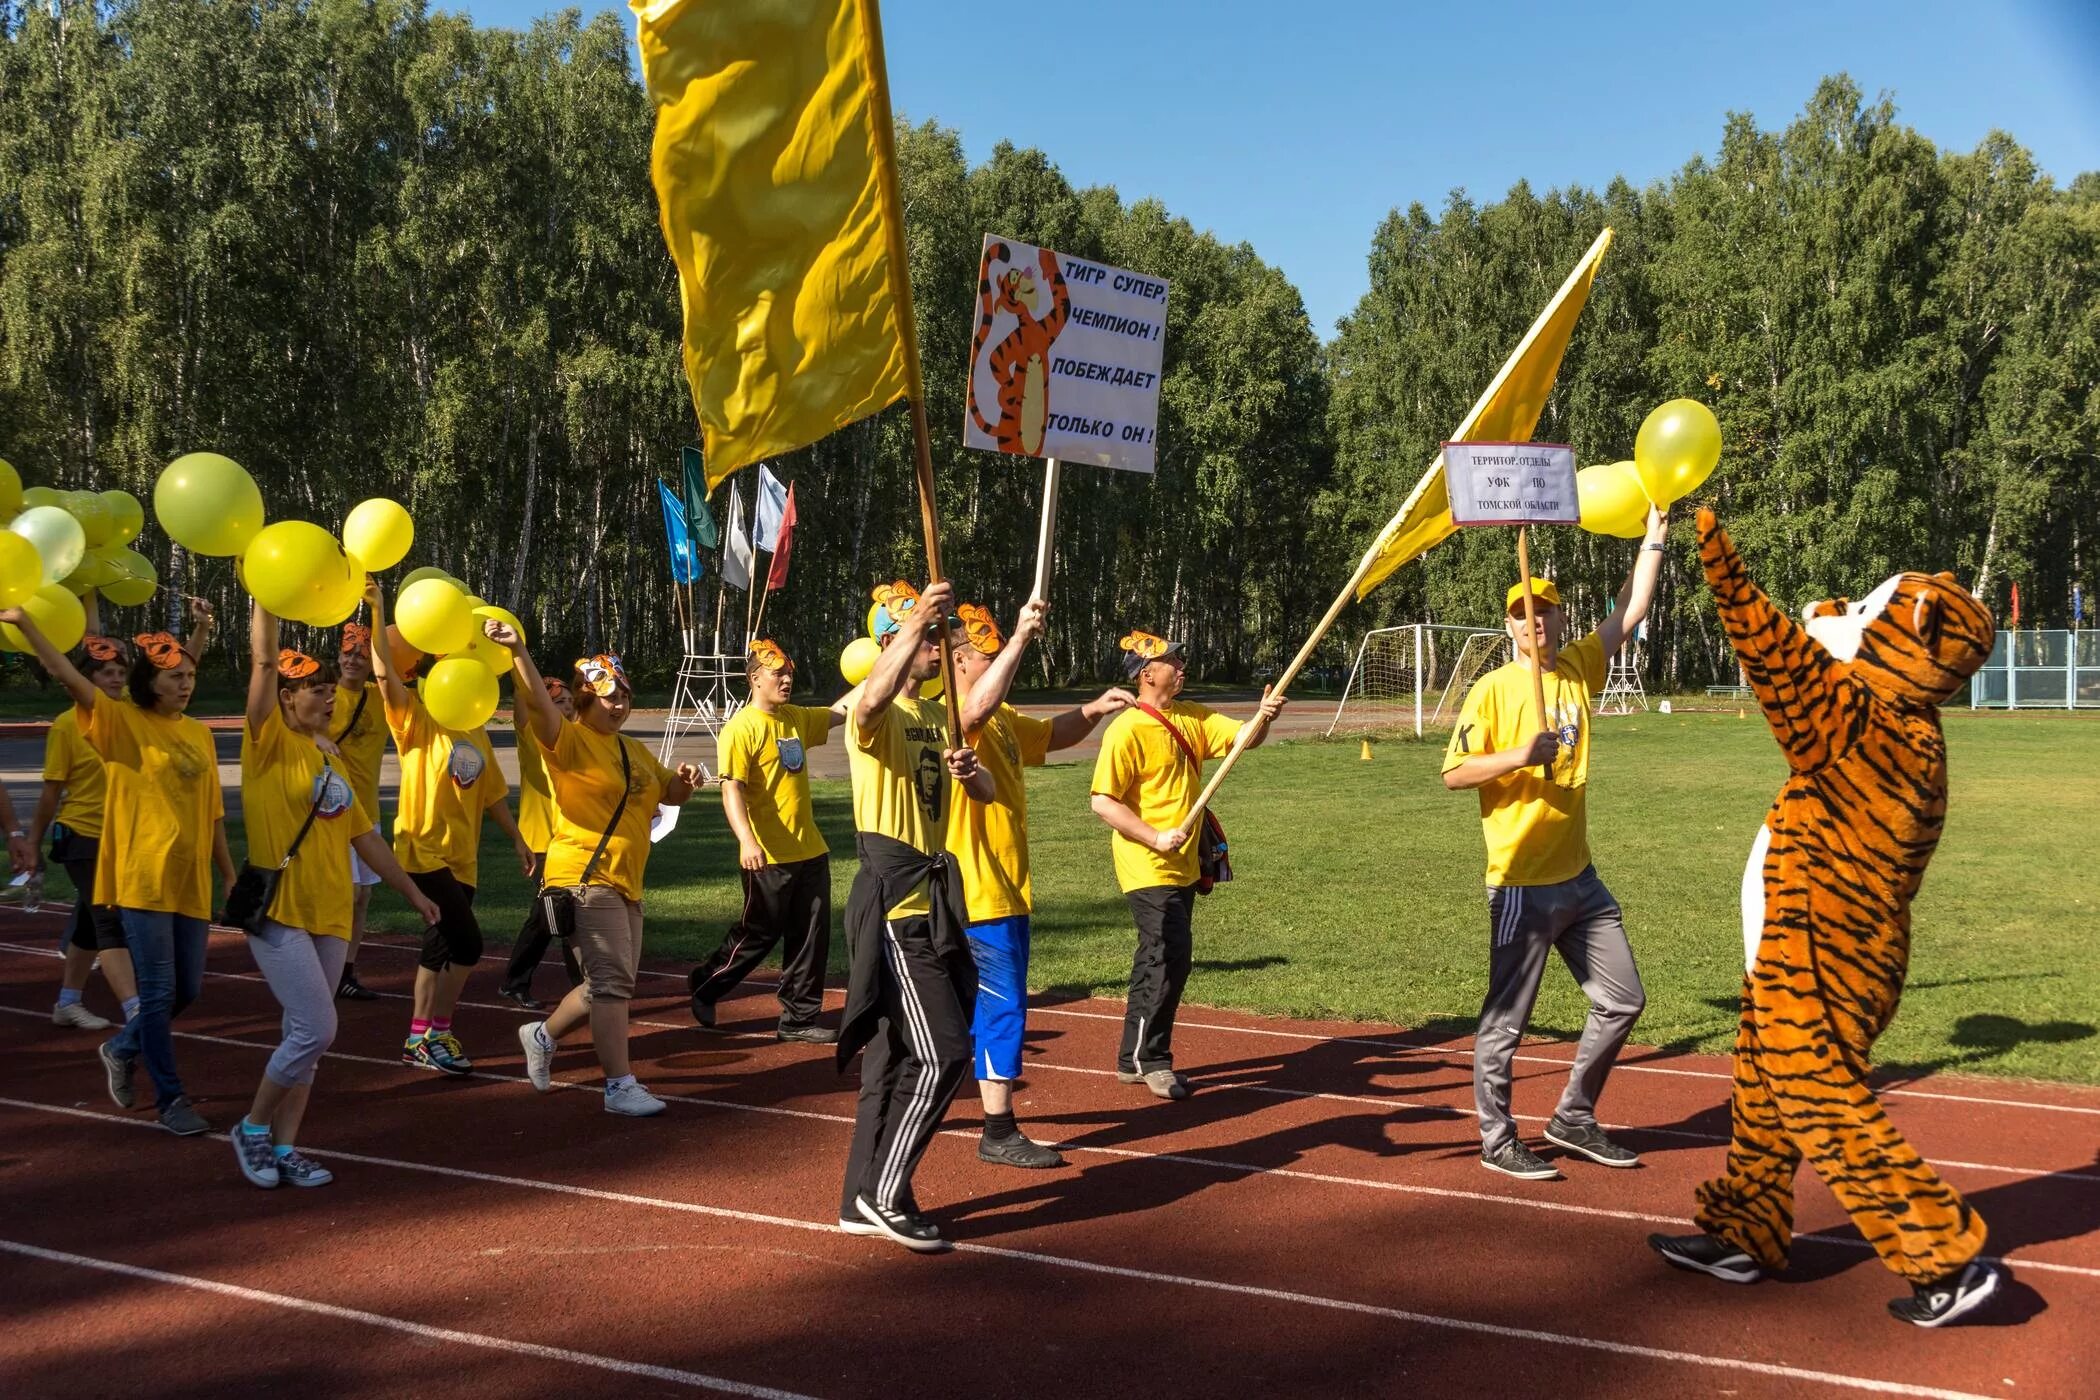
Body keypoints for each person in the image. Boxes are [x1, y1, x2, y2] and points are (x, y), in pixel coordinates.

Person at [1440, 506, 1666, 1181]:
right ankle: (1495, 1135)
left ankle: (1572, 1116)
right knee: (1508, 1020)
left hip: (1580, 878)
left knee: (1623, 998)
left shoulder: (1577, 668)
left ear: (1560, 619)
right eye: (1521, 613)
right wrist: (1517, 755)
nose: (1534, 621)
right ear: (1507, 625)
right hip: (1521, 880)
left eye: (1545, 611)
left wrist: (1655, 535)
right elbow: (1454, 774)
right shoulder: (1492, 690)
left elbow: (1629, 608)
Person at [3, 603, 235, 1136]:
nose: (187, 685)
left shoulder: (197, 734)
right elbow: (67, 675)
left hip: (189, 879)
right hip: (140, 877)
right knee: (155, 993)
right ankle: (171, 1100)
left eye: (191, 677)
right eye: (176, 677)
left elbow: (213, 813)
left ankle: (121, 1047)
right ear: (149, 682)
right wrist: (28, 623)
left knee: (188, 990)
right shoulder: (119, 720)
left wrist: (226, 872)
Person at [231, 600, 439, 1189]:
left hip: (330, 911)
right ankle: (252, 1129)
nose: (326, 697)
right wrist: (269, 601)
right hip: (280, 911)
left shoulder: (333, 759)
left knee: (308, 1041)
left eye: (328, 689)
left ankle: (286, 1145)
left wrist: (411, 892)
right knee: (315, 1030)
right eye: (314, 690)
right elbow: (264, 663)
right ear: (286, 701)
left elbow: (365, 838)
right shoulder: (267, 742)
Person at [835, 579, 992, 1252]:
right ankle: (883, 1193)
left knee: (897, 1057)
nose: (938, 647)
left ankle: (856, 1198)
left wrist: (967, 772)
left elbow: (981, 790)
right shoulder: (874, 715)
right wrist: (913, 624)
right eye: (929, 637)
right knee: (944, 1054)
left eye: (938, 636)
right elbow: (870, 696)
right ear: (893, 642)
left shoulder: (938, 715)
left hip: (932, 899)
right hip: (897, 905)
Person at [948, 598, 1132, 1166]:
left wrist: (1095, 710)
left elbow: (1051, 736)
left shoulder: (1000, 717)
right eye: (986, 652)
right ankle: (998, 1130)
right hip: (978, 890)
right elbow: (974, 709)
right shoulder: (954, 710)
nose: (998, 657)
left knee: (971, 1010)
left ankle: (939, 1098)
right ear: (958, 660)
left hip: (1006, 886)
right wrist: (1022, 639)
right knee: (1002, 1009)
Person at [488, 625, 700, 1117]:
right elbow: (540, 703)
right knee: (611, 983)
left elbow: (671, 793)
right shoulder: (570, 742)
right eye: (607, 697)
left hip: (626, 879)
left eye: (623, 696)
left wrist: (688, 781)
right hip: (583, 876)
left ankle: (541, 1035)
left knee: (608, 982)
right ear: (585, 700)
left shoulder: (633, 750)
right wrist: (518, 650)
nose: (618, 705)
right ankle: (618, 1086)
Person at [1089, 631, 1285, 1101]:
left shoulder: (1191, 716)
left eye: (1180, 658)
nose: (1181, 666)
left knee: (1164, 959)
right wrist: (1155, 836)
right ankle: (1150, 1060)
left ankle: (1135, 1057)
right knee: (1165, 958)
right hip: (1147, 863)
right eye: (1171, 661)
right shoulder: (1127, 730)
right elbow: (1103, 802)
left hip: (1182, 864)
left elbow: (1243, 741)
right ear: (1146, 673)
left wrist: (1264, 716)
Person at [367, 580, 532, 1075]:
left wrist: (518, 838)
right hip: (421, 849)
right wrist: (377, 612)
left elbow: (491, 794)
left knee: (438, 950)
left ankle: (418, 1039)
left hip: (464, 855)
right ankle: (439, 1030)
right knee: (469, 945)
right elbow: (383, 676)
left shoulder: (475, 724)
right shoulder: (414, 719)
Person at [687, 639, 840, 1043]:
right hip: (767, 855)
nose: (787, 680)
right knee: (758, 935)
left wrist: (888, 663)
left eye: (790, 673)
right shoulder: (741, 728)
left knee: (811, 938)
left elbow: (843, 710)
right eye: (778, 674)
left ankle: (799, 1019)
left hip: (810, 850)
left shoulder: (795, 718)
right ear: (755, 679)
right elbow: (731, 788)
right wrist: (747, 841)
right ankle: (706, 984)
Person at [29, 636, 137, 1030]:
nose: (115, 679)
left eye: (121, 673)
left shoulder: (129, 714)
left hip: (124, 837)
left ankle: (67, 1002)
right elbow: (51, 791)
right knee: (110, 920)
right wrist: (31, 842)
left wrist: (200, 629)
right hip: (83, 834)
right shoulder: (65, 726)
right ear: (83, 678)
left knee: (91, 924)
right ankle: (135, 1009)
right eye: (106, 672)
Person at [499, 676, 585, 1010]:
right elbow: (521, 707)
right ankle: (521, 982)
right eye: (555, 701)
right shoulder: (532, 734)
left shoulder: (579, 740)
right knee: (550, 915)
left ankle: (580, 986)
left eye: (566, 700)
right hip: (542, 842)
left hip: (574, 841)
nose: (563, 706)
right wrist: (517, 660)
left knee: (563, 913)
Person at [330, 621, 390, 1002]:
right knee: (346, 894)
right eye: (348, 652)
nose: (353, 659)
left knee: (363, 896)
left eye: (361, 655)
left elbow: (391, 672)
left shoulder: (380, 698)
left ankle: (345, 972)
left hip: (367, 812)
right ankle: (329, 969)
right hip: (332, 813)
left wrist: (377, 606)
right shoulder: (325, 695)